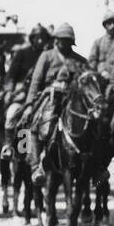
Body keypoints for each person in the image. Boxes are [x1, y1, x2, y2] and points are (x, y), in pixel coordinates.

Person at [24, 23, 88, 183]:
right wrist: (29, 104)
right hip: (50, 97)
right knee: (38, 124)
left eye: (67, 40)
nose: (64, 43)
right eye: (61, 40)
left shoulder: (79, 60)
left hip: (73, 99)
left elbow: (88, 80)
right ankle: (35, 163)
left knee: (92, 125)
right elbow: (36, 81)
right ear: (56, 40)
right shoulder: (47, 56)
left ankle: (95, 166)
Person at [2, 23, 50, 157]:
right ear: (32, 38)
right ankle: (8, 146)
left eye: (43, 38)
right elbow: (11, 75)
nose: (40, 41)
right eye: (38, 37)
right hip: (23, 95)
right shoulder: (22, 53)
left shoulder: (48, 55)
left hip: (43, 95)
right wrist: (9, 92)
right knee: (11, 114)